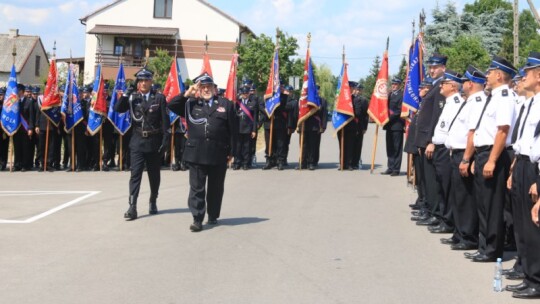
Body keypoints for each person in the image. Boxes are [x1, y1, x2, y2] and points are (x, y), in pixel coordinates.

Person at [168, 73, 237, 232]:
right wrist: (187, 93)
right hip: (196, 153)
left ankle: (212, 214)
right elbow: (171, 105)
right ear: (198, 89)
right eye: (203, 87)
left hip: (218, 152)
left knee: (216, 187)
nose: (206, 89)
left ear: (214, 88)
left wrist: (232, 152)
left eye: (209, 86)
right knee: (197, 188)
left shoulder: (226, 104)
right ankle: (197, 218)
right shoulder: (190, 104)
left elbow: (233, 130)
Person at [469, 56, 517, 262]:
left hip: (493, 154)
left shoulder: (504, 96)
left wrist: (492, 160)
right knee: (483, 202)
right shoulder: (493, 96)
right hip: (483, 153)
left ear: (499, 75)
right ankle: (484, 246)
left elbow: (502, 131)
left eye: (489, 72)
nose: (486, 75)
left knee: (492, 204)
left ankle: (492, 249)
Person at [115, 67, 169, 220]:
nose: (143, 83)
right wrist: (127, 93)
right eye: (141, 80)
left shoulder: (159, 98)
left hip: (153, 142)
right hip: (137, 141)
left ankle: (153, 199)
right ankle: (132, 206)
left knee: (154, 175)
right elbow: (118, 109)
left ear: (151, 81)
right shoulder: (133, 97)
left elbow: (165, 122)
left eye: (146, 80)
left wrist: (165, 140)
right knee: (135, 175)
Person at [507, 52, 540, 298]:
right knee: (521, 224)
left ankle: (536, 280)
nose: (523, 75)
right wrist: (514, 168)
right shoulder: (531, 102)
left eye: (527, 71)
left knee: (533, 227)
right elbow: (523, 140)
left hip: (534, 168)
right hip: (521, 164)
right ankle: (528, 275)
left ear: (539, 74)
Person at [413, 53, 447, 227]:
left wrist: (430, 140)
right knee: (426, 179)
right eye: (431, 67)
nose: (432, 70)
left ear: (443, 68)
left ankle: (435, 212)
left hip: (430, 140)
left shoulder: (441, 87)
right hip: (424, 140)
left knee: (433, 181)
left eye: (435, 67)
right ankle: (429, 209)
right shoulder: (434, 86)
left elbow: (436, 117)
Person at [382, 77, 405, 175]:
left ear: (399, 85)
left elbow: (399, 111)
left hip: (397, 125)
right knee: (389, 147)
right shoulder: (389, 95)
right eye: (393, 84)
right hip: (389, 126)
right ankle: (390, 167)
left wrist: (389, 118)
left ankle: (396, 169)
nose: (394, 86)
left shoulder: (401, 95)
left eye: (396, 84)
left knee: (396, 148)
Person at [233, 86, 258, 170]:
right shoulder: (237, 103)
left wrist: (254, 130)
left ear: (249, 93)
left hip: (248, 128)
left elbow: (255, 119)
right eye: (243, 93)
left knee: (247, 147)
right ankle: (237, 162)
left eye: (246, 93)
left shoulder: (253, 103)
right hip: (238, 128)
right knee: (238, 147)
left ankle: (245, 163)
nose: (245, 95)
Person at [0, 87, 8, 170]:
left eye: (1, 95)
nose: (0, 96)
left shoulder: (7, 104)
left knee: (4, 147)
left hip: (5, 129)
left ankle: (3, 163)